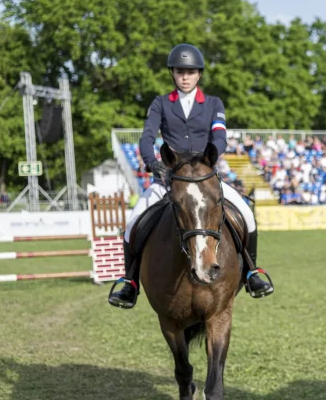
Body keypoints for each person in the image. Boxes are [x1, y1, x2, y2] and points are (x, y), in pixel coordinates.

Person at [108, 43, 274, 308]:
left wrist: (209, 158)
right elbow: (147, 137)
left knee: (246, 214)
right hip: (170, 178)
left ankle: (252, 272)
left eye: (190, 72)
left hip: (205, 176)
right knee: (133, 222)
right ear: (173, 74)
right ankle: (130, 282)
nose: (185, 76)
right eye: (180, 71)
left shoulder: (212, 104)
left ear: (199, 74)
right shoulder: (161, 103)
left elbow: (219, 136)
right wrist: (153, 163)